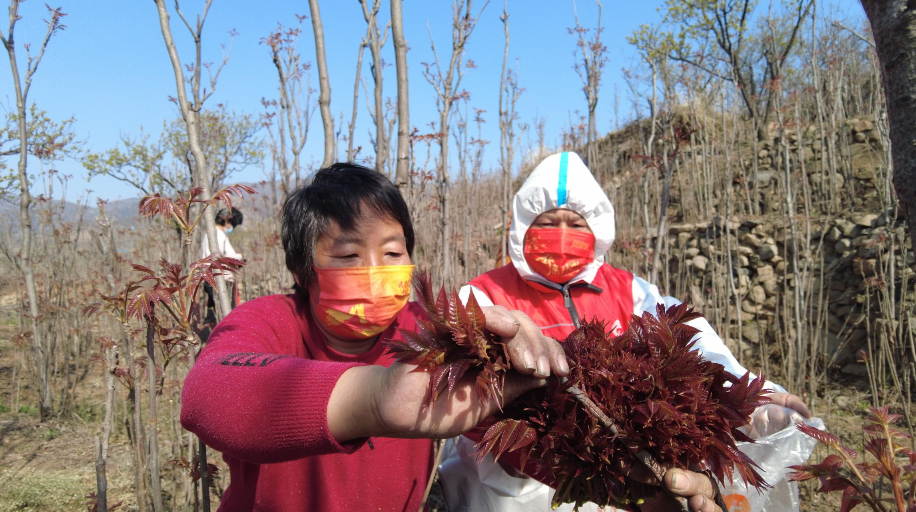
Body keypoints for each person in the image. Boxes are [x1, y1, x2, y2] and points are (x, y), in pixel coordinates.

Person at [180, 163, 575, 511]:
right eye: (348, 256)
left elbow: (501, 432)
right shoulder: (271, 321)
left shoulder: (430, 332)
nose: (374, 270)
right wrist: (376, 397)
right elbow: (208, 392)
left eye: (392, 253)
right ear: (302, 272)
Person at [439, 152, 812, 512]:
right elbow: (462, 393)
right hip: (512, 485)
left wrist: (749, 393)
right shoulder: (483, 295)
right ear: (523, 227)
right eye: (548, 223)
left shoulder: (630, 291)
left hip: (618, 474)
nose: (563, 235)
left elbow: (695, 344)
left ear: (597, 230)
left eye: (577, 224)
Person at [200, 208, 244, 341]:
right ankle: (214, 342)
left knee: (213, 313)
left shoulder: (211, 234)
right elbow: (221, 257)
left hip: (212, 278)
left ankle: (207, 341)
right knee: (221, 314)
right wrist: (240, 257)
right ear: (228, 221)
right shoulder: (217, 235)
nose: (231, 228)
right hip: (219, 279)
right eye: (232, 224)